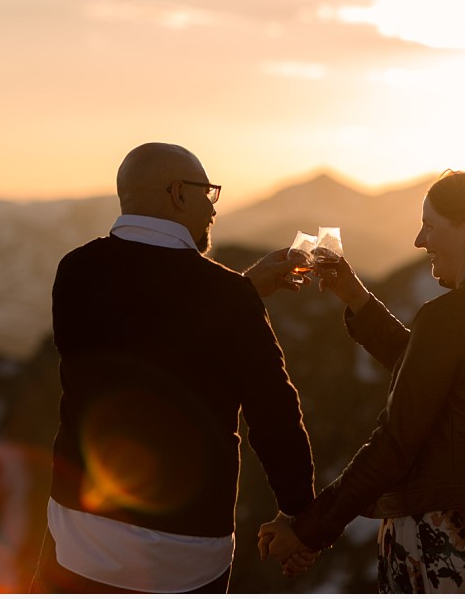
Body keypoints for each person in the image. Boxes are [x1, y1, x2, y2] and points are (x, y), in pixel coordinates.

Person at [259, 169, 465, 593]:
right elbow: (439, 375)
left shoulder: (447, 317)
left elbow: (395, 444)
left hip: (455, 537)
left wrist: (308, 530)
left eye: (430, 226)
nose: (419, 241)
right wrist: (356, 297)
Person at [30, 142, 315, 593]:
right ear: (178, 193)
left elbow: (147, 334)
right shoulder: (225, 298)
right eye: (208, 193)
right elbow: (274, 413)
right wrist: (300, 514)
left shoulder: (75, 271)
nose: (213, 209)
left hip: (81, 537)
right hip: (185, 554)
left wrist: (241, 293)